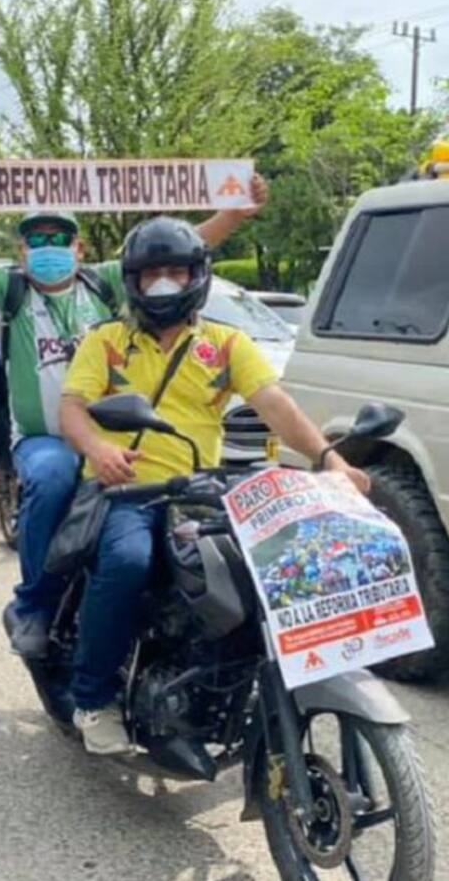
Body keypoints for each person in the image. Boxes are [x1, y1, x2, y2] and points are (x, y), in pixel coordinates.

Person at [0, 166, 268, 658]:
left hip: (121, 440)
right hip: (46, 436)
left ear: (80, 248)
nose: (48, 248)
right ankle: (34, 603)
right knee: (52, 476)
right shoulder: (5, 292)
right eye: (36, 240)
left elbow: (174, 251)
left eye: (59, 238)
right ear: (22, 252)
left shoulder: (106, 284)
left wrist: (235, 216)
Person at [58, 216, 370, 754]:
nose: (163, 284)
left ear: (196, 276)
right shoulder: (106, 342)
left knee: (271, 565)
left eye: (175, 272)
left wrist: (329, 459)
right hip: (128, 492)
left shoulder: (226, 344)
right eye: (151, 273)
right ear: (132, 280)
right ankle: (93, 697)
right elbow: (72, 410)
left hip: (204, 488)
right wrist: (99, 450)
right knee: (129, 562)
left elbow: (275, 404)